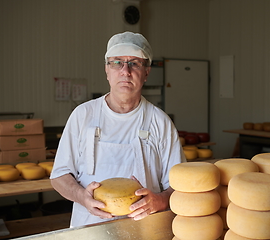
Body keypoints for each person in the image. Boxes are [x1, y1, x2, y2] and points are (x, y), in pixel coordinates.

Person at [50, 31, 186, 228]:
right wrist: (82, 197)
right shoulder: (83, 115)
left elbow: (179, 186)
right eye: (117, 62)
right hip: (89, 230)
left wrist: (160, 200)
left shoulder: (160, 122)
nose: (125, 71)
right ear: (106, 70)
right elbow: (59, 176)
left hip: (144, 231)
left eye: (134, 63)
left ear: (146, 72)